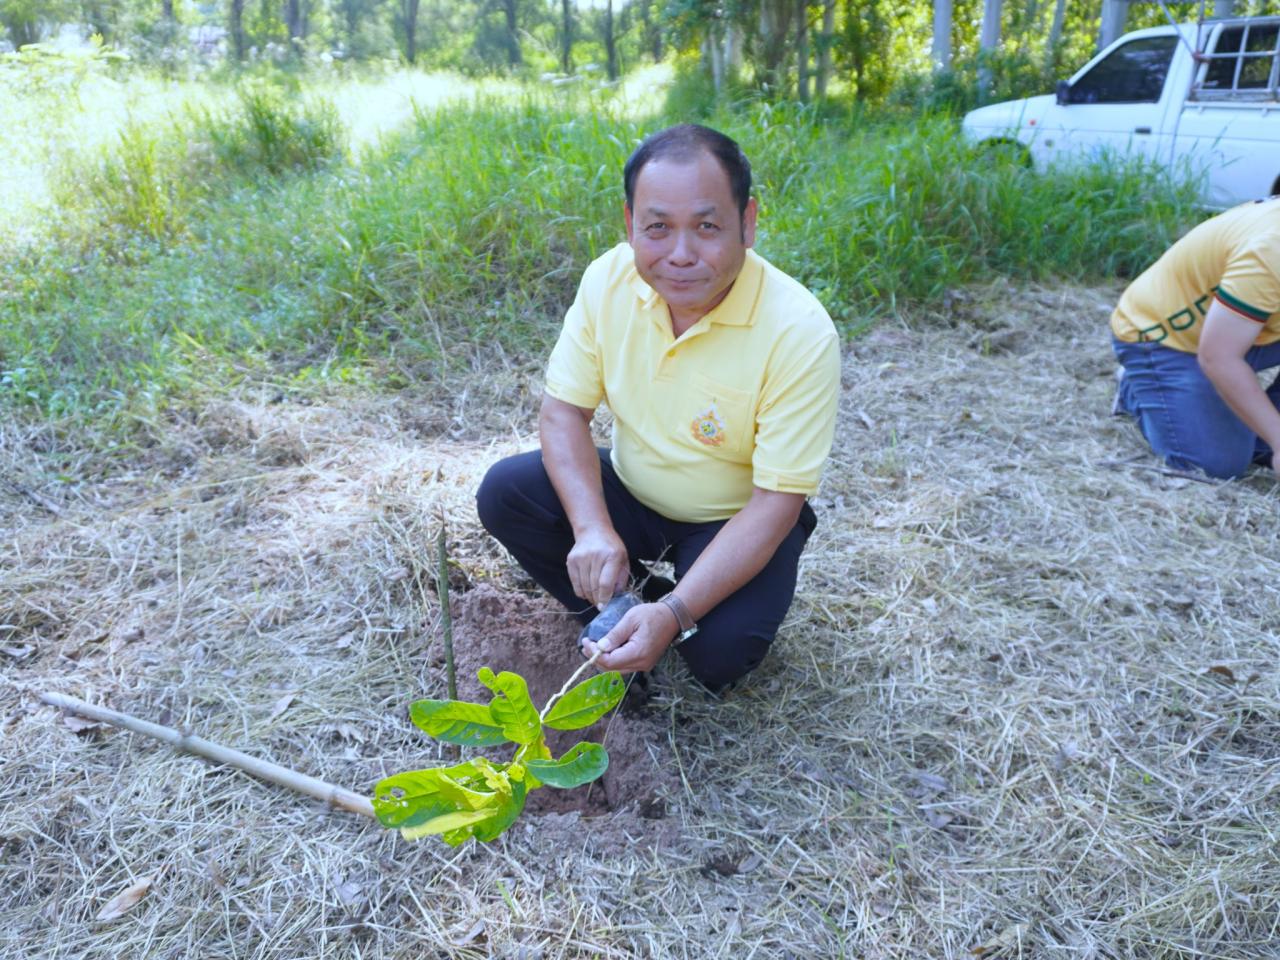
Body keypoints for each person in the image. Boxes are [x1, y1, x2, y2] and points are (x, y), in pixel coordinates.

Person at [475, 124, 841, 692]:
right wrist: (594, 530)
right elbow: (562, 413)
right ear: (629, 225)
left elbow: (776, 502)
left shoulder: (798, 330)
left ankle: (664, 616)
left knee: (720, 656)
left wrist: (675, 615)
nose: (681, 254)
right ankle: (618, 610)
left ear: (748, 222)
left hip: (734, 518)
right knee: (507, 492)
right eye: (657, 228)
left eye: (708, 226)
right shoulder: (608, 280)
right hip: (632, 490)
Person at [1111, 196, 1280, 479]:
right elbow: (1218, 357)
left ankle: (1255, 427)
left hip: (1252, 330)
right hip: (1166, 338)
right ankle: (1137, 387)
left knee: (1260, 446)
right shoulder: (1272, 251)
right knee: (1216, 464)